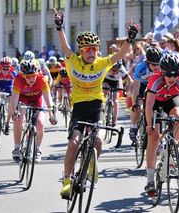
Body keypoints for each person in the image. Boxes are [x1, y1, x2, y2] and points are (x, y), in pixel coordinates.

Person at [53, 8, 138, 198]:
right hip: (79, 108)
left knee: (98, 140)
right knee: (74, 142)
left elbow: (119, 56)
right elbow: (65, 46)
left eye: (94, 49)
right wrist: (59, 26)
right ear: (81, 51)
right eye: (88, 49)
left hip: (97, 106)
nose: (92, 52)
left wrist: (130, 39)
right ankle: (67, 179)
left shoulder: (101, 63)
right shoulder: (73, 61)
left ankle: (91, 162)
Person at [144, 54, 179, 194]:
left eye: (175, 75)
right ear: (163, 73)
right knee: (154, 136)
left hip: (171, 99)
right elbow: (149, 105)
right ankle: (150, 179)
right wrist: (149, 124)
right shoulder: (155, 80)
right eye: (169, 75)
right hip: (155, 102)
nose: (172, 78)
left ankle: (172, 149)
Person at [9, 59, 56, 162]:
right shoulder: (18, 79)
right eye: (28, 77)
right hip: (23, 98)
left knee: (40, 123)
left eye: (33, 75)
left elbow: (48, 99)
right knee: (19, 117)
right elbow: (14, 100)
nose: (31, 79)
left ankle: (37, 150)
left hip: (37, 99)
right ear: (23, 76)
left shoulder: (42, 79)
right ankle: (17, 148)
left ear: (37, 73)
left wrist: (52, 114)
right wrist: (14, 112)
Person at [129, 47, 162, 146]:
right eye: (153, 64)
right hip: (142, 85)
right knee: (137, 107)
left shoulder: (162, 66)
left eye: (158, 64)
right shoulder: (141, 67)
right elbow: (136, 87)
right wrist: (135, 103)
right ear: (147, 62)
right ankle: (133, 126)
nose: (156, 67)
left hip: (154, 86)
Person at [0, 57, 17, 135]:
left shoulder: (13, 72)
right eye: (3, 68)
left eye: (7, 68)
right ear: (0, 67)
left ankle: (7, 124)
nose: (5, 70)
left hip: (9, 86)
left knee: (11, 104)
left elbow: (16, 85)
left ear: (10, 67)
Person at [103, 61, 133, 127]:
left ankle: (114, 123)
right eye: (112, 70)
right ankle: (102, 111)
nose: (113, 72)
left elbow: (130, 81)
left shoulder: (122, 70)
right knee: (104, 94)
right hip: (106, 80)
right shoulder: (106, 67)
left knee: (116, 102)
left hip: (116, 81)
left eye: (116, 71)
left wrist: (126, 91)